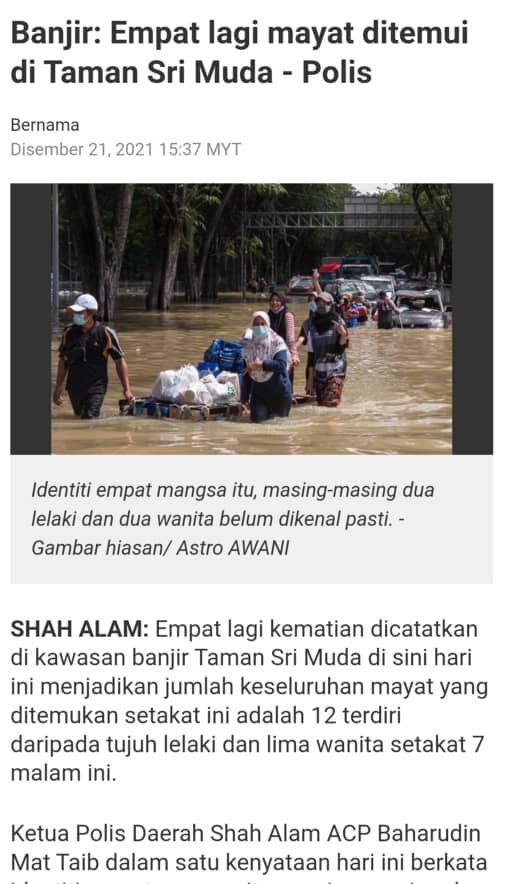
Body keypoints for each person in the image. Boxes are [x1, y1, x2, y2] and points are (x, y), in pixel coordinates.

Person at [53, 294, 133, 419]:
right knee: (78, 418)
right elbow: (63, 360)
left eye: (79, 312)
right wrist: (58, 387)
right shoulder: (68, 332)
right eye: (75, 312)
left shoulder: (105, 333)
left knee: (88, 418)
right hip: (74, 387)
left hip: (96, 387)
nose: (76, 315)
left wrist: (126, 389)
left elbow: (119, 361)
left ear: (90, 313)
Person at [241, 311, 292, 423]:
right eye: (256, 324)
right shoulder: (248, 344)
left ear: (268, 325)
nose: (259, 327)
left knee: (278, 427)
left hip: (279, 392)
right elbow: (245, 372)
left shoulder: (276, 341)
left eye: (262, 324)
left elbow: (281, 365)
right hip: (258, 393)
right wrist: (244, 397)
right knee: (257, 425)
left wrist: (261, 364)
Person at [308, 270, 349, 407]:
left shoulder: (338, 322)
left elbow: (341, 347)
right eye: (319, 303)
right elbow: (311, 355)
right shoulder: (313, 324)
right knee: (321, 406)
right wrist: (310, 378)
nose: (321, 306)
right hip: (319, 372)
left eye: (325, 304)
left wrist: (343, 334)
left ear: (331, 305)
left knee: (330, 405)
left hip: (336, 371)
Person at [268, 290, 299, 383]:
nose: (274, 303)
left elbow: (290, 338)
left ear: (282, 302)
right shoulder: (267, 316)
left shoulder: (287, 316)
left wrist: (294, 354)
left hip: (284, 354)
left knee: (285, 382)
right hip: (270, 354)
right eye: (272, 300)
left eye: (278, 300)